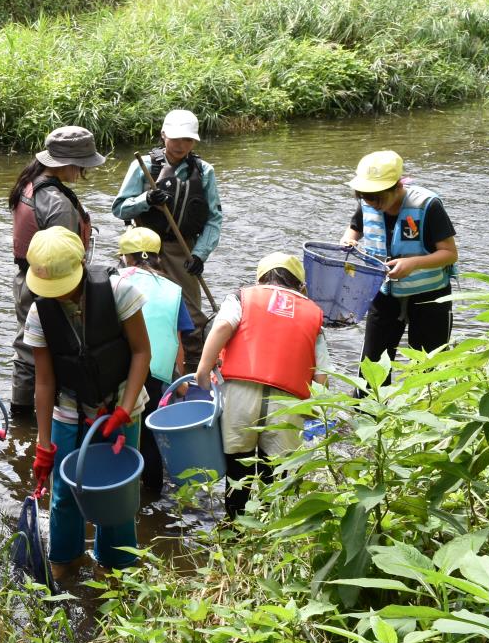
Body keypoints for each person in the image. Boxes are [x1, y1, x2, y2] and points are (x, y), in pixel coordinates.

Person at [23, 227, 151, 585]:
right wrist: (43, 444)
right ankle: (65, 563)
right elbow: (45, 382)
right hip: (69, 406)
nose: (59, 293)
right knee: (64, 493)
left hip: (121, 403)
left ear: (82, 263)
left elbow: (142, 352)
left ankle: (116, 567)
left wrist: (124, 408)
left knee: (117, 489)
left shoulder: (118, 292)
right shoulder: (40, 312)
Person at [192, 253, 328, 517]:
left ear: (261, 277)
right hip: (287, 404)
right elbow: (322, 375)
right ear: (300, 285)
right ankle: (267, 531)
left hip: (241, 396)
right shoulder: (314, 314)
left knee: (238, 472)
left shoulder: (242, 297)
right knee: (275, 476)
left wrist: (203, 370)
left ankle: (234, 528)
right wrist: (312, 411)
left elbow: (221, 327)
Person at [112, 109, 222, 367]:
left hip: (183, 248)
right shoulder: (144, 167)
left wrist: (199, 254)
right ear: (163, 136)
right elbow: (119, 208)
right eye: (175, 139)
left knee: (193, 316)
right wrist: (146, 199)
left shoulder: (204, 171)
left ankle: (192, 368)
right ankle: (134, 360)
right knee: (138, 306)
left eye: (187, 140)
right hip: (143, 249)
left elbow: (214, 219)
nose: (181, 145)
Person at [9, 126, 106, 421]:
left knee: (27, 346)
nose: (82, 172)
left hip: (26, 278)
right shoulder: (58, 203)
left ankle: (20, 418)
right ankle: (37, 416)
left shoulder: (30, 183)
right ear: (67, 164)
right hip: (49, 284)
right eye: (81, 166)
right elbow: (64, 258)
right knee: (49, 348)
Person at [340, 150, 458, 365]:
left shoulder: (427, 205)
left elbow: (450, 254)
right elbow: (354, 228)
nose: (370, 202)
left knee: (429, 366)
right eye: (364, 196)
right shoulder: (368, 202)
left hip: (430, 296)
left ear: (398, 187)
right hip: (384, 293)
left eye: (376, 197)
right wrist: (349, 240)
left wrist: (413, 263)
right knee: (372, 365)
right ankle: (369, 401)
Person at [115, 227, 193, 491]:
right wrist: (180, 381)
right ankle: (151, 499)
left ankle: (114, 486)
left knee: (114, 431)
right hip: (155, 374)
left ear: (127, 258)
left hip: (118, 367)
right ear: (158, 257)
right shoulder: (174, 290)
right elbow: (177, 341)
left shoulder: (115, 279)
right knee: (149, 438)